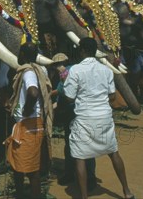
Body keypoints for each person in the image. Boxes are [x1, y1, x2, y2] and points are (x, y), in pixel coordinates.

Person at [63, 38, 134, 199]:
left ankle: (83, 196)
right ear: (95, 51)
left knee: (80, 157)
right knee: (113, 152)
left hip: (84, 119)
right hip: (104, 118)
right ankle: (127, 191)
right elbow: (112, 95)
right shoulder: (106, 70)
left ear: (81, 51)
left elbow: (69, 97)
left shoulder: (75, 70)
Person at [4, 43, 52, 199]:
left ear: (23, 54)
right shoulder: (41, 70)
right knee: (18, 165)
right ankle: (19, 195)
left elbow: (32, 93)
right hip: (29, 124)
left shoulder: (28, 73)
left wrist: (26, 110)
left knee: (31, 171)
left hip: (29, 124)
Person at [51, 54, 97, 190]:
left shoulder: (67, 72)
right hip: (82, 113)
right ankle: (88, 177)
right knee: (82, 144)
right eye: (55, 66)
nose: (57, 68)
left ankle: (75, 175)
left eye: (58, 65)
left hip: (75, 113)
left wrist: (49, 97)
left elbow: (61, 92)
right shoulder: (76, 70)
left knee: (73, 144)